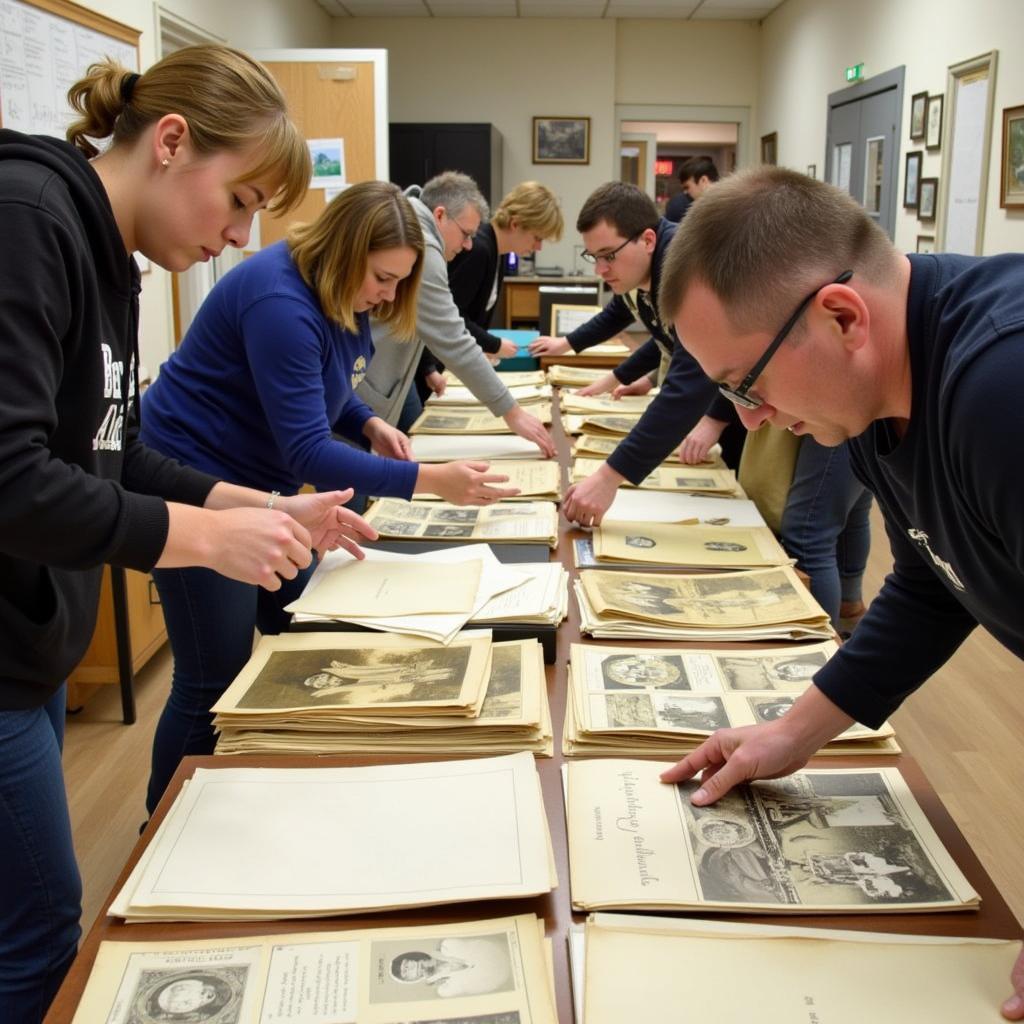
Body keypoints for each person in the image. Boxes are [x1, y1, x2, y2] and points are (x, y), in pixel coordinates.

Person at [0, 45, 369, 1024]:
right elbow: (13, 480)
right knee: (37, 935)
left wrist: (250, 504)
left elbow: (110, 458)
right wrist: (205, 541)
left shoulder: (105, 251)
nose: (239, 234)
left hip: (30, 635)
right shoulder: (29, 220)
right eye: (238, 198)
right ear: (171, 143)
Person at [656, 165, 1024, 1020]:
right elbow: (936, 581)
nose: (747, 419)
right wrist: (794, 734)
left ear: (841, 316)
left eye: (747, 383)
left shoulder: (1002, 388)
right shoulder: (878, 401)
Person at [140, 181, 519, 813]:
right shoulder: (279, 302)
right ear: (346, 251)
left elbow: (326, 387)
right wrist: (431, 480)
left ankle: (279, 777)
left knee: (308, 621)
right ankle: (158, 828)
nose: (388, 295)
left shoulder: (333, 289)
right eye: (382, 278)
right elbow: (307, 452)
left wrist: (365, 422)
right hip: (195, 484)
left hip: (260, 489)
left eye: (400, 282)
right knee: (214, 674)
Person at [526, 182, 741, 525]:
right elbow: (660, 336)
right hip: (751, 395)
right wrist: (619, 374)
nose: (600, 269)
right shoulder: (652, 267)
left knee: (806, 531)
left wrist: (609, 477)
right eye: (594, 257)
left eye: (609, 255)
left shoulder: (687, 268)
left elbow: (690, 382)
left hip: (801, 392)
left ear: (648, 240)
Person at [356, 172, 554, 456]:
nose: (469, 244)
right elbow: (452, 336)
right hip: (364, 387)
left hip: (379, 381)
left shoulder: (416, 226)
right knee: (356, 482)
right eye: (466, 234)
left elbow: (425, 320)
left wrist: (425, 367)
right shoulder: (423, 247)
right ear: (440, 215)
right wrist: (511, 412)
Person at [413, 181, 564, 398]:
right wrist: (493, 344)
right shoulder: (479, 249)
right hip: (430, 368)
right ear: (516, 223)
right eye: (537, 237)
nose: (538, 247)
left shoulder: (496, 251)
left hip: (443, 364)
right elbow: (449, 315)